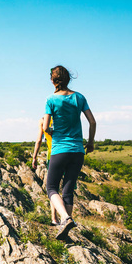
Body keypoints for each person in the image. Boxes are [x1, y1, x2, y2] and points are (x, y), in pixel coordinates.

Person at [42, 65, 96, 240]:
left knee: (50, 187)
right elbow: (92, 122)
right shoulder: (79, 97)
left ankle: (65, 218)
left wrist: (51, 130)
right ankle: (66, 232)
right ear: (68, 79)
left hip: (60, 150)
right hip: (78, 151)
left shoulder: (51, 100)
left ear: (53, 80)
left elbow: (45, 127)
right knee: (68, 189)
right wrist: (90, 142)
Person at [32, 117, 60, 226]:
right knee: (68, 188)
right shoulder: (62, 116)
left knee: (53, 187)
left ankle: (54, 218)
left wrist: (34, 157)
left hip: (53, 153)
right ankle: (67, 217)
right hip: (69, 151)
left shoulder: (43, 121)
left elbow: (39, 140)